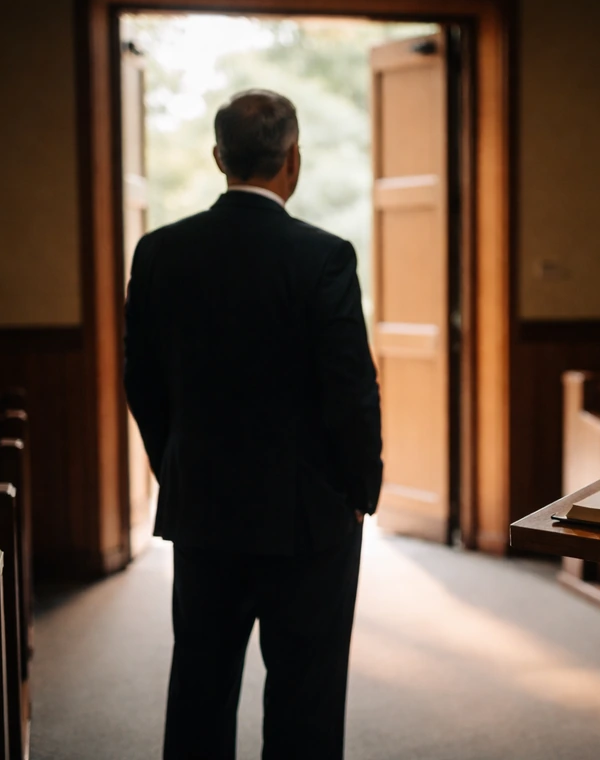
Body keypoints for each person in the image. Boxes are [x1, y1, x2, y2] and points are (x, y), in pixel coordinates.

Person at [124, 88, 383, 760]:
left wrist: (174, 468)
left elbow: (141, 384)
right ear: (292, 160)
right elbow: (349, 391)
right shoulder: (322, 257)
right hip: (308, 517)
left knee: (201, 687)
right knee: (306, 697)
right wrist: (360, 491)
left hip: (203, 506)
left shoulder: (159, 253)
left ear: (219, 158)